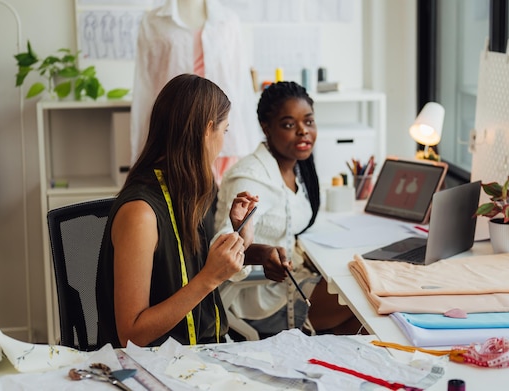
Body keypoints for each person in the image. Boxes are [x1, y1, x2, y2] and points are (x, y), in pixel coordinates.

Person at [96, 74, 258, 348]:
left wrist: (239, 234)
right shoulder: (141, 214)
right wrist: (208, 278)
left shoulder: (199, 191)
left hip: (206, 353)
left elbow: (199, 268)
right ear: (208, 130)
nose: (223, 143)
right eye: (225, 130)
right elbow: (131, 334)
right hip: (153, 366)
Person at [214, 81, 361, 338]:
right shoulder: (250, 179)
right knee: (362, 293)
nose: (303, 132)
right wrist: (262, 253)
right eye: (289, 125)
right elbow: (222, 245)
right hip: (261, 299)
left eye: (309, 122)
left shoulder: (296, 168)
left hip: (295, 279)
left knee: (357, 328)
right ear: (266, 128)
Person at [129, 0, 260, 181]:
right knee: (178, 195)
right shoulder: (153, 22)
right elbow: (145, 87)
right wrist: (140, 149)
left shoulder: (228, 21)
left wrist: (250, 147)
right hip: (175, 127)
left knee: (223, 199)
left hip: (220, 127)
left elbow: (240, 85)